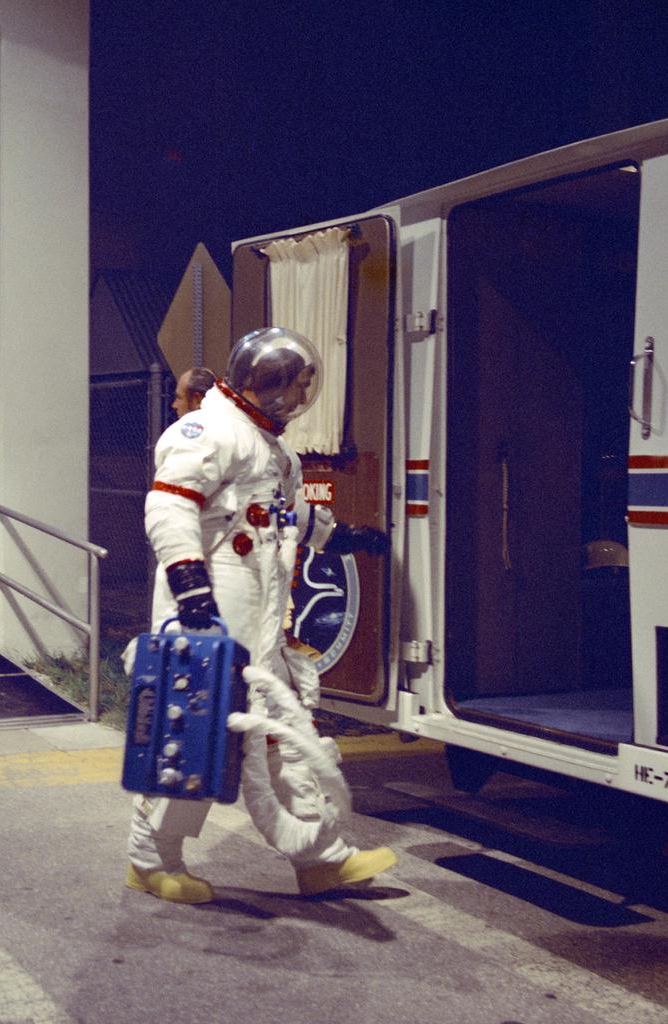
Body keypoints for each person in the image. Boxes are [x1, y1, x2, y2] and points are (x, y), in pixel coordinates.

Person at [125, 326, 395, 904]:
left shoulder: (271, 447)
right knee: (197, 737)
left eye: (303, 391)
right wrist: (192, 592)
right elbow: (169, 508)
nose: (298, 402)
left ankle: (320, 858)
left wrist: (339, 535)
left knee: (282, 738)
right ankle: (150, 861)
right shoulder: (206, 431)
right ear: (265, 384)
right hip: (209, 616)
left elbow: (284, 514)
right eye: (292, 390)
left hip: (259, 620)